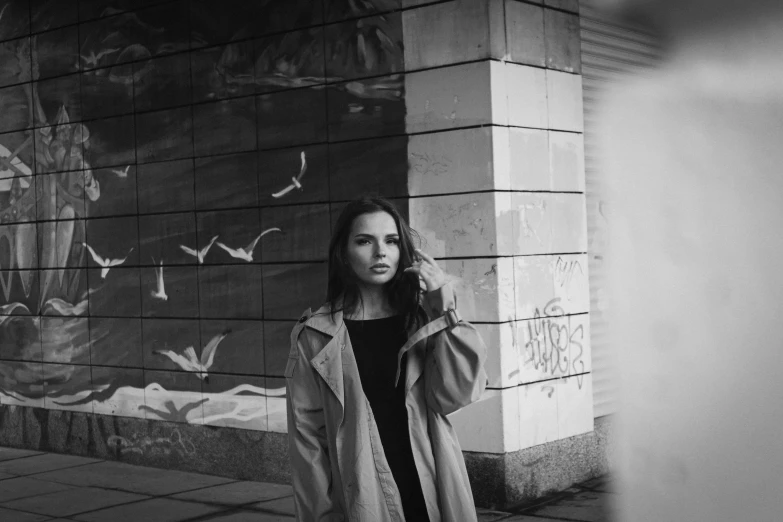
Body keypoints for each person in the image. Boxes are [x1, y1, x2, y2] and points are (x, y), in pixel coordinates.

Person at [284, 196, 489, 521]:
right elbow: (307, 439)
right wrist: (319, 515)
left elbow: (458, 394)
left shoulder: (423, 319)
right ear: (344, 254)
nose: (380, 252)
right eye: (365, 241)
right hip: (363, 495)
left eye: (391, 241)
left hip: (432, 481)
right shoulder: (316, 335)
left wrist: (444, 308)